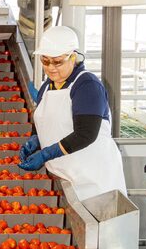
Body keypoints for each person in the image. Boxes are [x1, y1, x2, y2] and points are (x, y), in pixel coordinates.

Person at [18, 25, 127, 202]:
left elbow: (85, 134)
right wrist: (35, 140)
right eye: (45, 61)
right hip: (66, 178)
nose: (51, 68)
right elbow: (49, 122)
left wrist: (46, 154)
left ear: (73, 56)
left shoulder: (87, 85)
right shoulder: (48, 85)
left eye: (57, 62)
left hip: (93, 181)